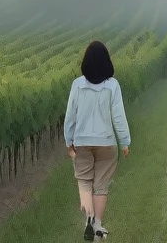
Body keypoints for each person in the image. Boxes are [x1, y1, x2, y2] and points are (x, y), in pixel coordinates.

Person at [63, 40, 131, 240]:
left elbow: (70, 116)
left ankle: (88, 220)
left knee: (84, 182)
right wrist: (124, 141)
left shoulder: (77, 85)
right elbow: (118, 115)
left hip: (82, 142)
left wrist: (69, 141)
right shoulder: (112, 85)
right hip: (106, 143)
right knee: (100, 186)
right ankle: (98, 226)